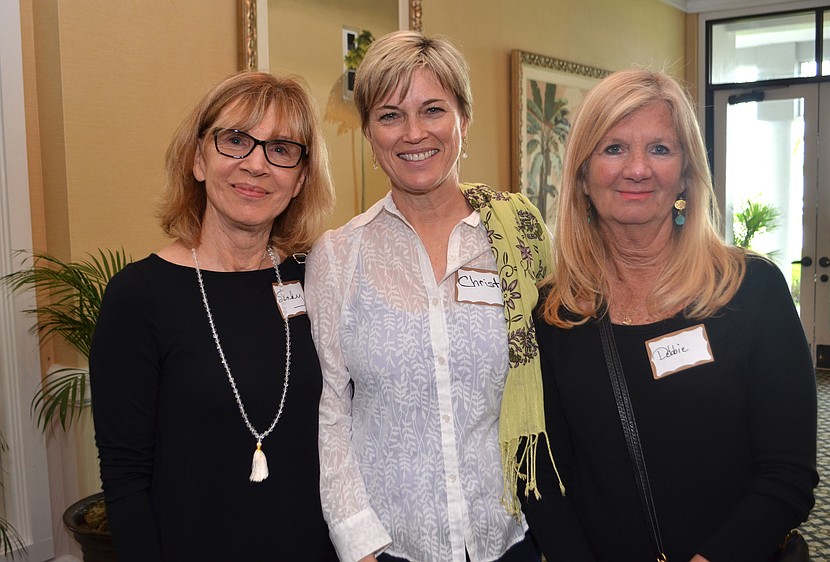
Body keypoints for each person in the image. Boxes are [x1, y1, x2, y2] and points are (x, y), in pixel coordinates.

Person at [521, 69, 819, 561]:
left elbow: (788, 474)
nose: (637, 169)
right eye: (613, 148)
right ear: (582, 174)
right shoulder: (554, 314)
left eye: (660, 149)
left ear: (685, 172)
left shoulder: (752, 290)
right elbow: (543, 481)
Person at [305, 30, 555, 562]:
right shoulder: (337, 256)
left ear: (464, 120)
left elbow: (555, 380)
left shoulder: (517, 234)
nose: (413, 132)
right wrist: (359, 543)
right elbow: (332, 410)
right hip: (392, 545)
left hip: (514, 535)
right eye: (390, 115)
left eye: (433, 109)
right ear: (369, 135)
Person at [89, 71, 338, 562]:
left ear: (301, 178)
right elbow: (124, 478)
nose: (256, 165)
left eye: (281, 149)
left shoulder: (321, 280)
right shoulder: (139, 297)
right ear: (198, 158)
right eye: (236, 141)